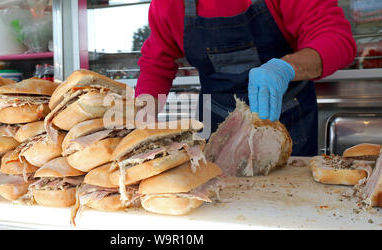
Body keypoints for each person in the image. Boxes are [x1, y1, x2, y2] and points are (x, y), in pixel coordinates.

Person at [134, 0, 356, 156]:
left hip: (286, 122)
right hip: (215, 127)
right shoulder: (169, 4)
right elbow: (156, 66)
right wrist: (139, 123)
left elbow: (335, 38)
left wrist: (285, 68)